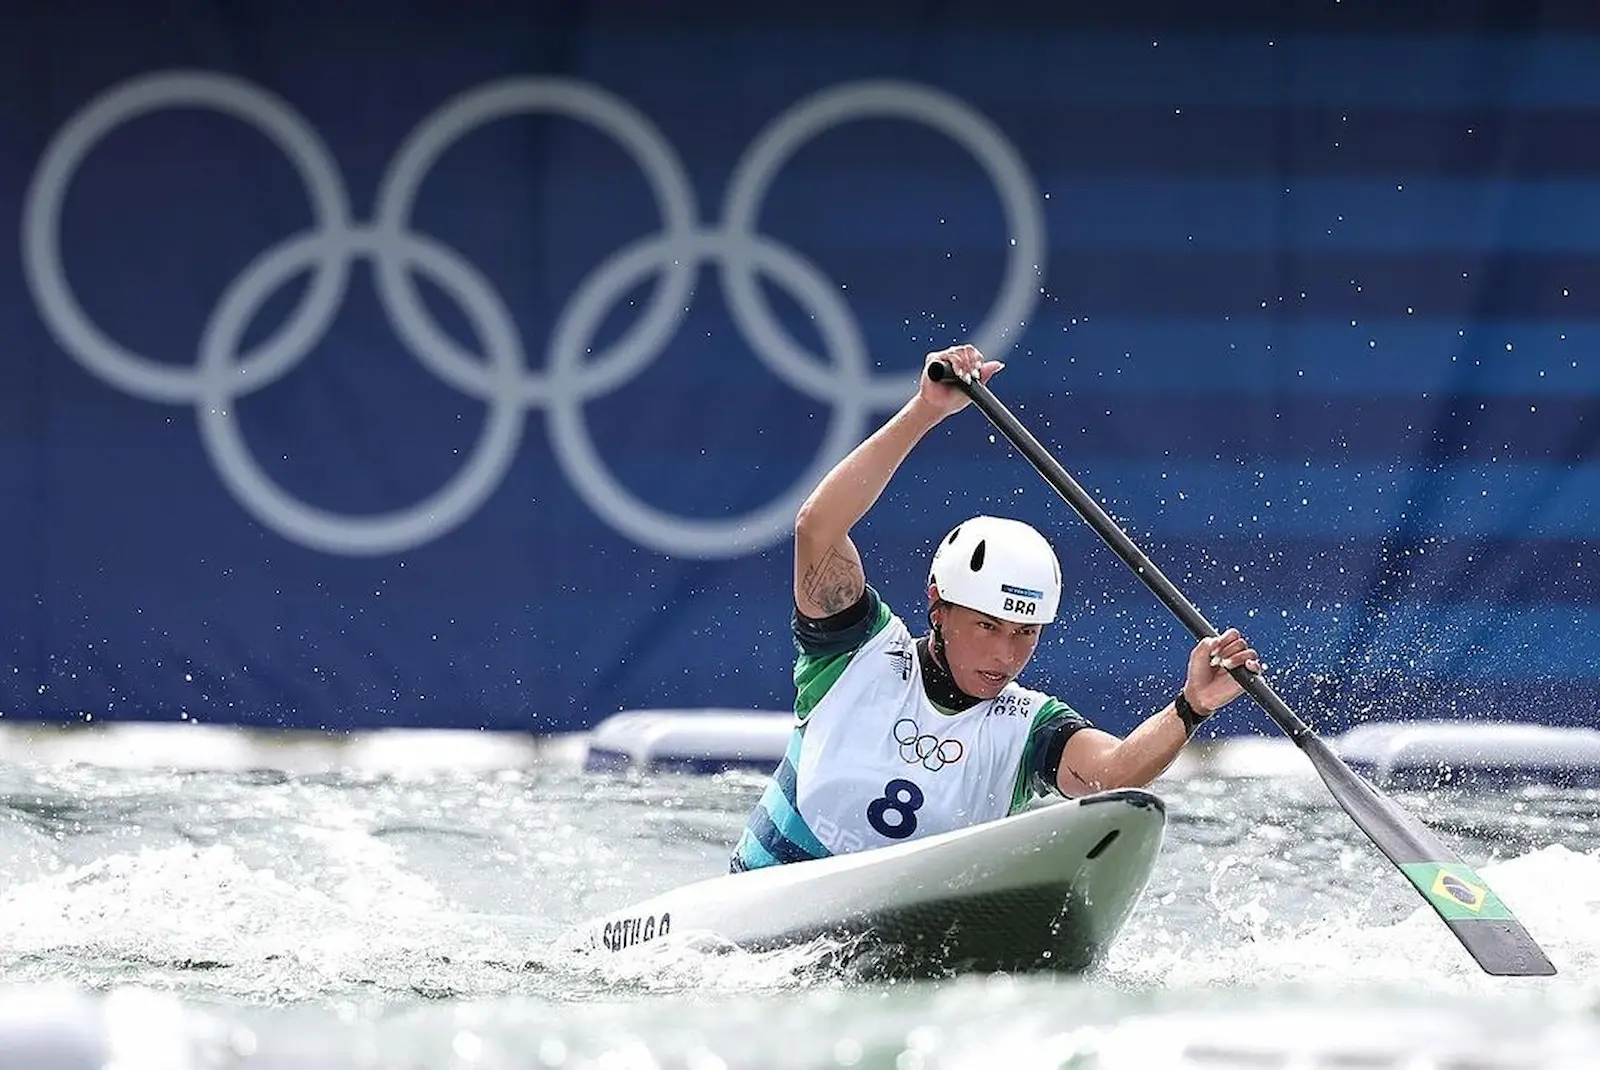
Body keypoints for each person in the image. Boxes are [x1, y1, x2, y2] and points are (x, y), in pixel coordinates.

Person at [729, 343, 1263, 873]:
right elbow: (817, 528)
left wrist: (1191, 706)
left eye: (1025, 633)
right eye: (988, 625)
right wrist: (926, 411)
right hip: (754, 913)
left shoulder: (1028, 727)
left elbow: (1111, 775)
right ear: (938, 605)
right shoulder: (854, 652)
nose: (1006, 654)